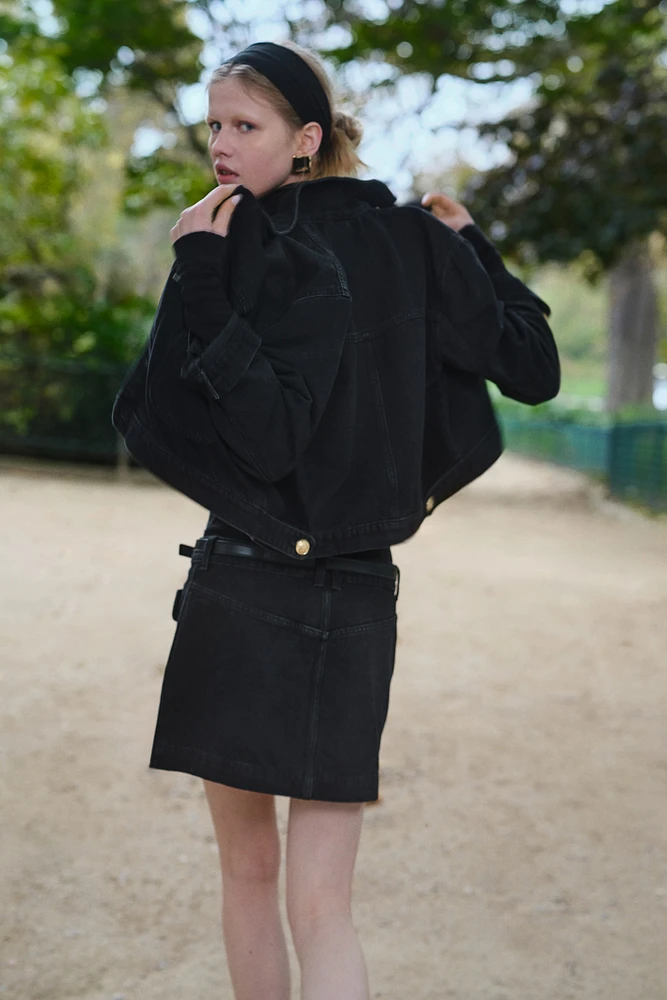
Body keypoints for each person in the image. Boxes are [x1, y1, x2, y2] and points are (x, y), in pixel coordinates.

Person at [112, 38, 559, 1000]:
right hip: (355, 592)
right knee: (319, 904)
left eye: (245, 125)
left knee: (264, 883)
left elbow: (251, 438)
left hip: (245, 580)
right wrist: (470, 243)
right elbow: (529, 362)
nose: (222, 147)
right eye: (214, 127)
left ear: (306, 138)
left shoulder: (222, 251)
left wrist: (194, 265)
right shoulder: (414, 245)